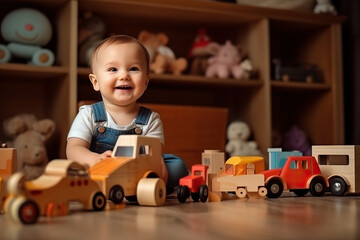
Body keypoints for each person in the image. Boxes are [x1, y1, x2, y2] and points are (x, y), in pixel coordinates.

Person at [66, 35, 188, 193]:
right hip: (101, 168)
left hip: (137, 170)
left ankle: (138, 188)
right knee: (72, 168)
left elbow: (154, 156)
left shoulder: (150, 119)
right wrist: (94, 159)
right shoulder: (88, 114)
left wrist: (159, 177)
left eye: (133, 69)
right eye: (113, 69)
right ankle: (111, 186)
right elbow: (73, 149)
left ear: (145, 81)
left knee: (177, 166)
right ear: (95, 82)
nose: (124, 76)